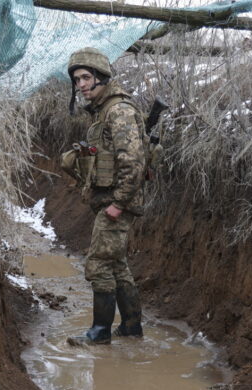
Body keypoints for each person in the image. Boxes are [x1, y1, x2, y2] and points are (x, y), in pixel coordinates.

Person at [63, 47, 146, 346]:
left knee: (98, 263)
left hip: (118, 203)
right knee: (115, 264)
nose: (81, 85)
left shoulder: (118, 110)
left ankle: (99, 334)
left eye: (86, 78)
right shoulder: (103, 110)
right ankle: (131, 327)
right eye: (76, 80)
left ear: (101, 77)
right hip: (111, 200)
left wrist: (118, 203)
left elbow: (133, 160)